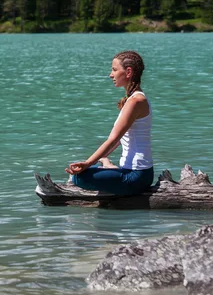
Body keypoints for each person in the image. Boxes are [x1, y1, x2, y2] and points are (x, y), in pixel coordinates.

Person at [65, 50, 153, 195]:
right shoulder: (134, 99)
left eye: (114, 70)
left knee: (78, 178)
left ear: (128, 72)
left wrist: (88, 163)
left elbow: (113, 139)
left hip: (137, 176)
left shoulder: (136, 101)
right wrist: (100, 158)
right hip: (133, 172)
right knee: (80, 174)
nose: (111, 75)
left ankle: (108, 166)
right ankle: (108, 165)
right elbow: (120, 140)